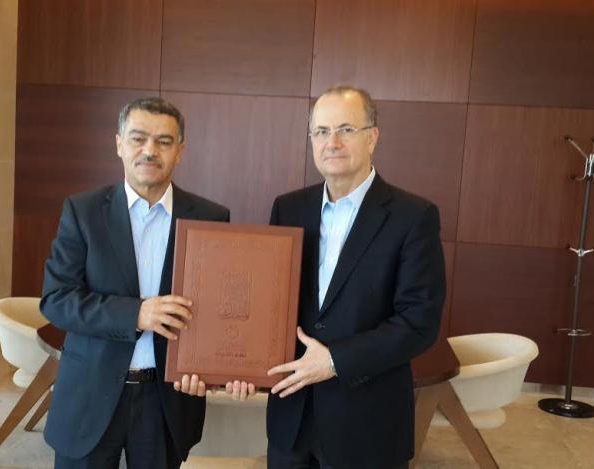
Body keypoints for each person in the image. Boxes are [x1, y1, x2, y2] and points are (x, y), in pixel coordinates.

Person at [40, 97, 253, 469]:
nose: (150, 150)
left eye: (164, 141)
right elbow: (57, 300)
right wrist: (136, 314)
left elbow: (220, 310)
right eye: (138, 138)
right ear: (119, 144)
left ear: (180, 151)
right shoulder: (83, 212)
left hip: (166, 401)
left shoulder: (210, 217)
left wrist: (225, 368)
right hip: (90, 394)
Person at [265, 86, 447, 469]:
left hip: (366, 424)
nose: (332, 142)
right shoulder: (288, 208)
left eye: (346, 129)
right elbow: (271, 304)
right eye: (321, 131)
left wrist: (334, 361)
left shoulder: (413, 217)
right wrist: (242, 367)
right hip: (291, 420)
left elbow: (419, 323)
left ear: (372, 137)